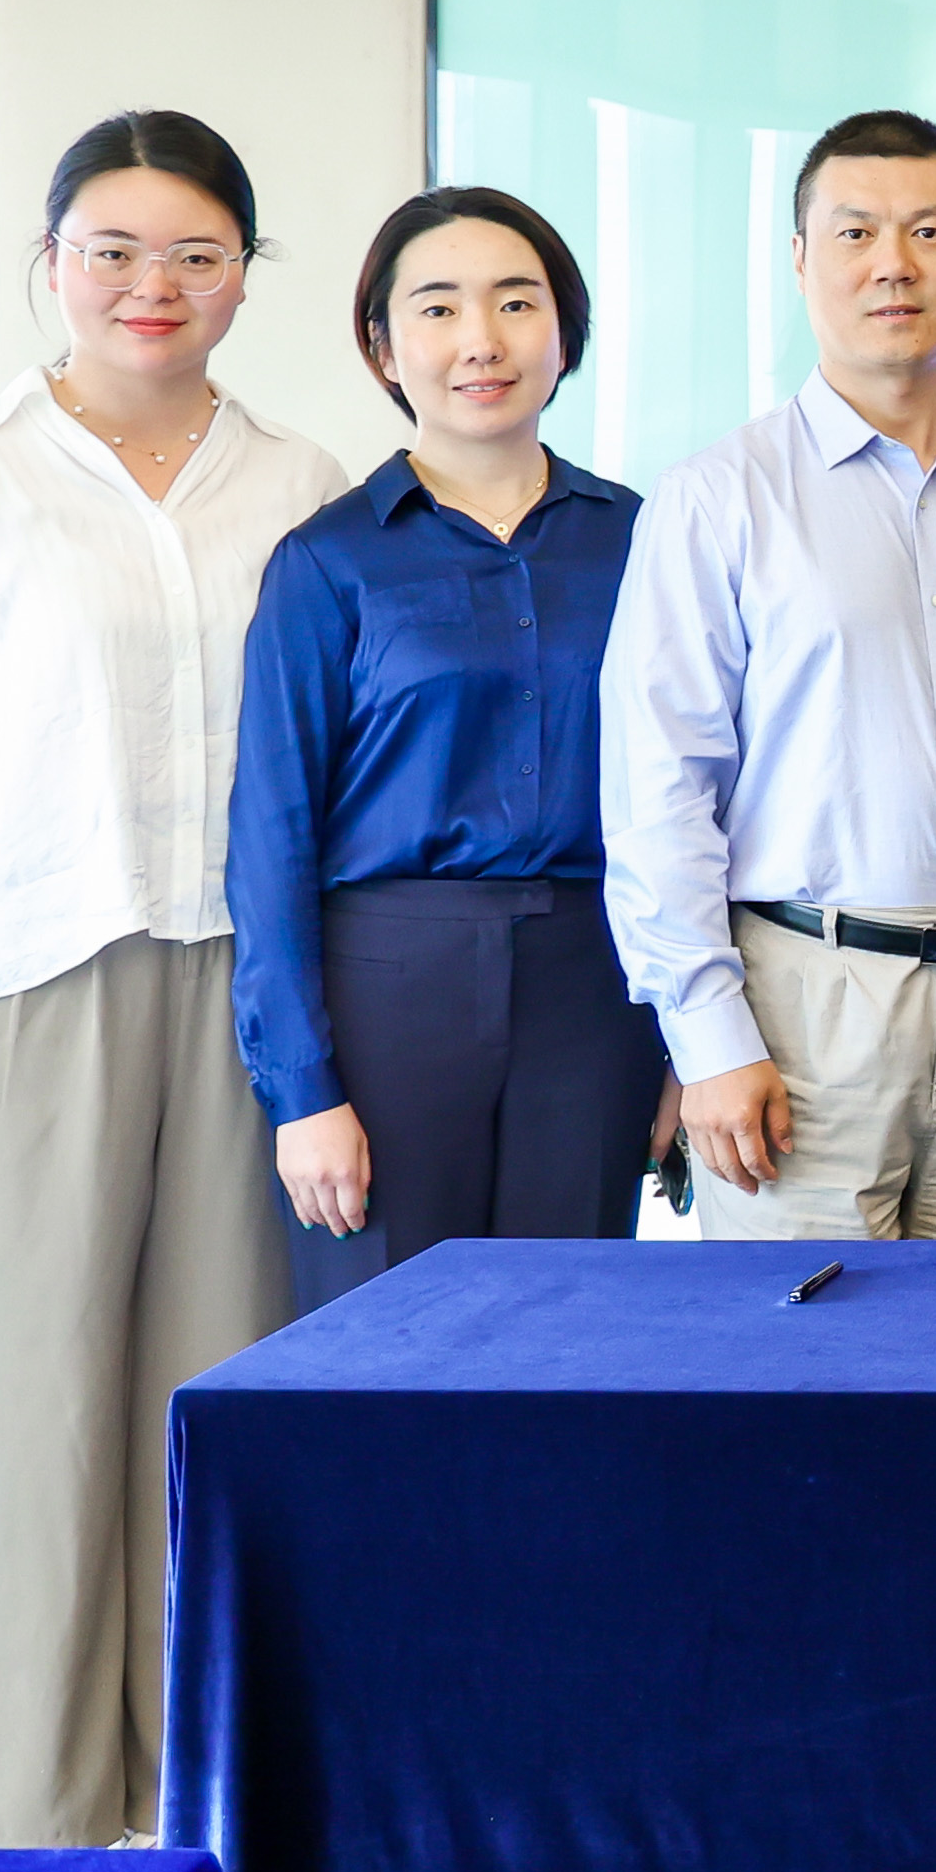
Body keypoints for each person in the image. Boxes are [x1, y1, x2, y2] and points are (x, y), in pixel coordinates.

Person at [0, 109, 347, 1847]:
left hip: (246, 988)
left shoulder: (302, 483)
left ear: (245, 278)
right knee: (38, 1410)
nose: (153, 285)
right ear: (50, 263)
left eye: (197, 254)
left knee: (218, 1391)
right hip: (33, 981)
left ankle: (197, 1805)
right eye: (113, 251)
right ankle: (25, 1825)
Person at [604, 108, 936, 1241]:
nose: (894, 263)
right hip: (804, 1006)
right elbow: (661, 791)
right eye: (856, 233)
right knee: (804, 1345)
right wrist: (709, 1038)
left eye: (929, 232)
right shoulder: (718, 499)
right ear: (800, 258)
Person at [227, 186, 669, 1312]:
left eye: (517, 303)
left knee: (571, 1333)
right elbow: (271, 838)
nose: (482, 340)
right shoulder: (328, 560)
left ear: (563, 334)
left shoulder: (647, 541)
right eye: (438, 308)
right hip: (388, 990)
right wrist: (302, 1091)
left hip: (596, 985)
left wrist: (687, 1047)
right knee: (386, 1338)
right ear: (384, 346)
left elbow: (706, 797)